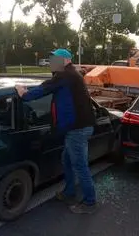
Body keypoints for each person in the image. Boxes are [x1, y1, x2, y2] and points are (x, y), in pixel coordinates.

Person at [14, 48, 98, 214]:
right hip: (79, 127)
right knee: (67, 160)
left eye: (56, 59)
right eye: (51, 59)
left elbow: (42, 89)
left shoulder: (65, 76)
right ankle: (69, 192)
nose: (52, 62)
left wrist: (23, 93)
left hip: (77, 129)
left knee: (79, 165)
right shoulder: (72, 74)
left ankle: (90, 202)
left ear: (66, 60)